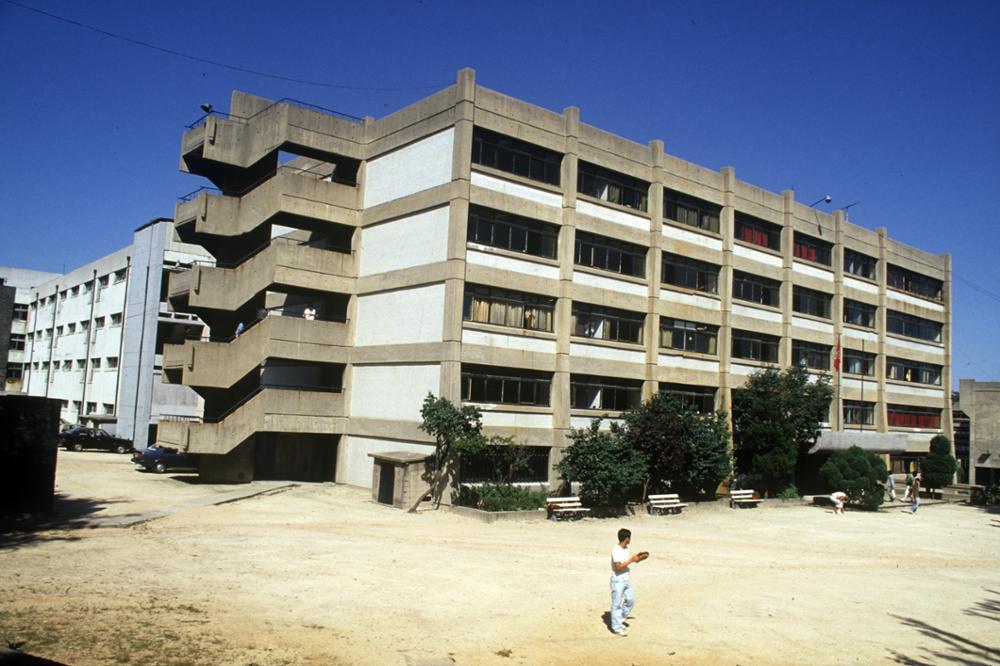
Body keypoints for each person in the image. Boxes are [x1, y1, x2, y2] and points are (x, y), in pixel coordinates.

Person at [610, 528, 649, 637]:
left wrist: (638, 558)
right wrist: (631, 560)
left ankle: (620, 619)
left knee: (630, 600)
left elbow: (630, 560)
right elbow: (618, 567)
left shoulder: (626, 548)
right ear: (627, 539)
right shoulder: (616, 551)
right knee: (616, 604)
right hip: (617, 580)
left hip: (626, 579)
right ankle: (616, 627)